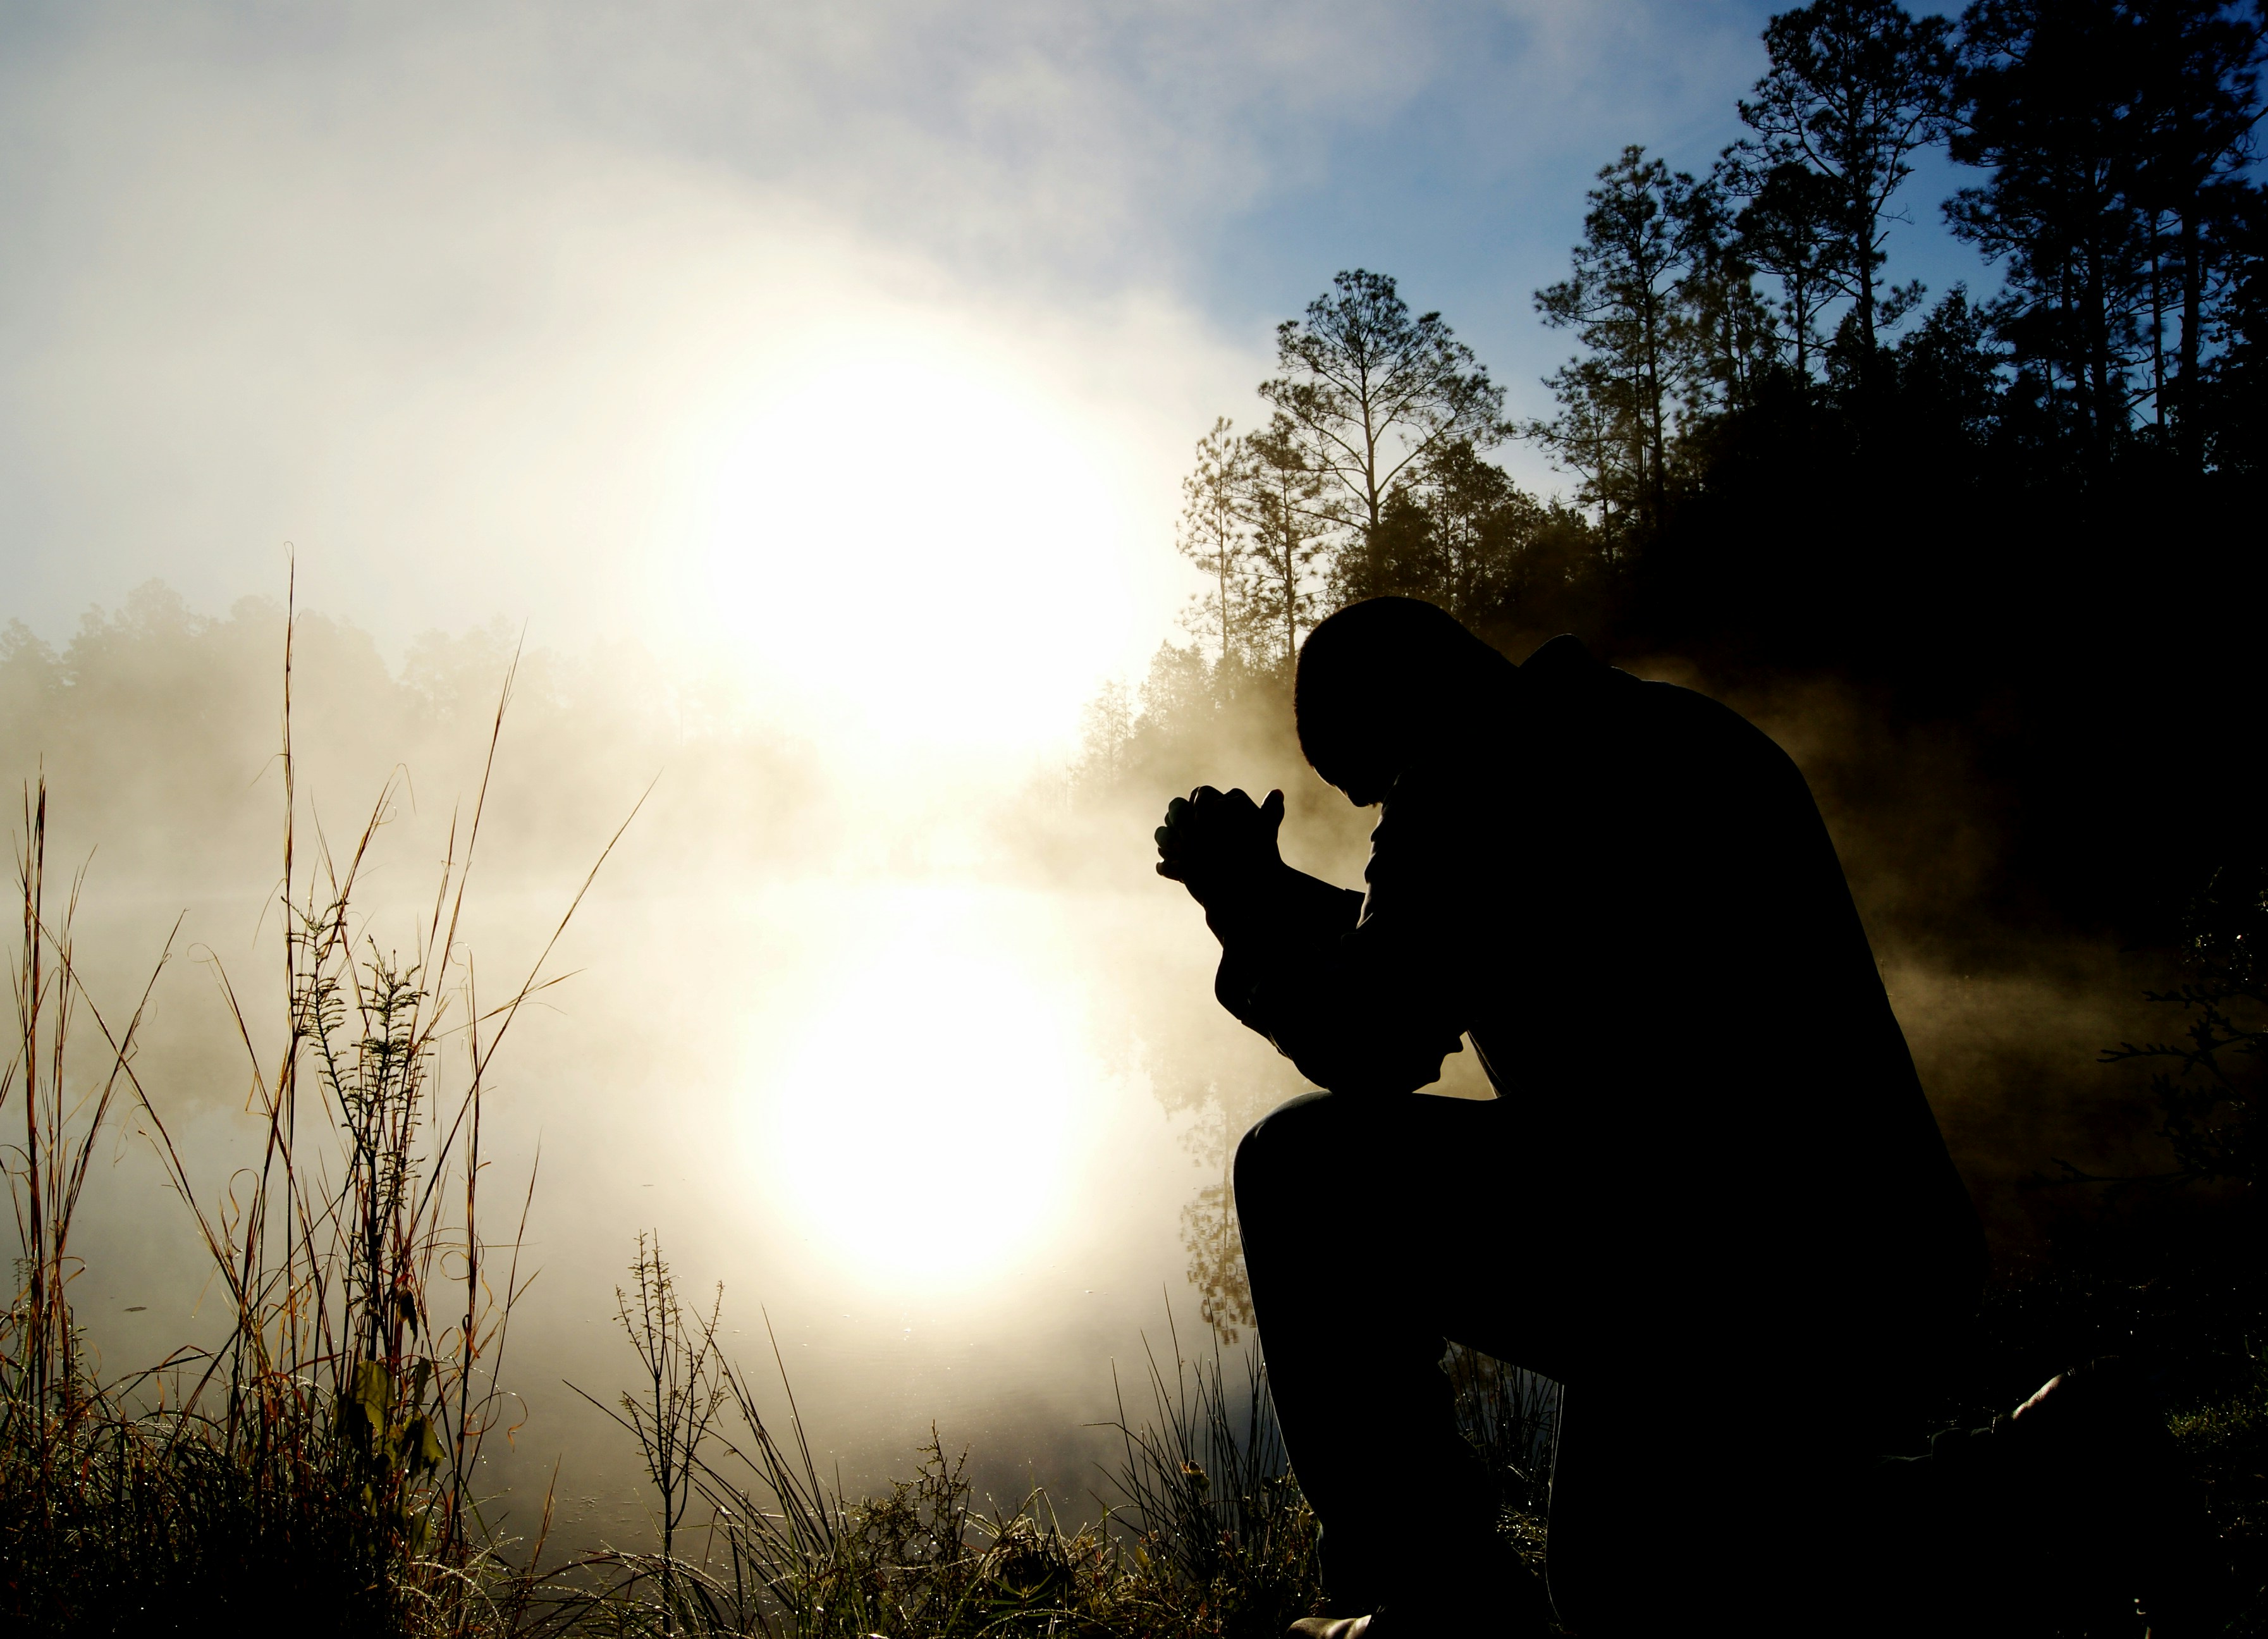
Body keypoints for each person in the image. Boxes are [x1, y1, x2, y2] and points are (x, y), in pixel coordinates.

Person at [1152, 598, 2196, 1636]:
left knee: (1301, 1172)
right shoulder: (1664, 731)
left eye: (1378, 790)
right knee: (1630, 1585)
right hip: (1879, 1255)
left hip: (1714, 1257)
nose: (1386, 818)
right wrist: (1280, 893)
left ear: (1403, 714)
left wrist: (1243, 905)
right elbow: (1450, 941)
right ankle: (2043, 1471)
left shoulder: (1474, 775)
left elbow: (1374, 1036)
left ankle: (1434, 1605)